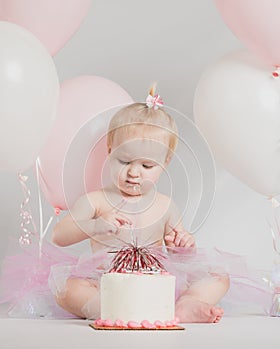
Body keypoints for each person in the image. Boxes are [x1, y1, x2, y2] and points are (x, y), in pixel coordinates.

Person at [51, 86, 230, 323]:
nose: (134, 172)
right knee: (65, 289)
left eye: (147, 166)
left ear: (165, 163)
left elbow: (179, 258)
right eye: (124, 160)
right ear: (109, 150)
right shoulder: (96, 201)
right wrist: (94, 226)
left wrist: (184, 248)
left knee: (219, 277)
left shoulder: (166, 206)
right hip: (107, 283)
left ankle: (186, 305)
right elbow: (58, 236)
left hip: (156, 284)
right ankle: (108, 309)